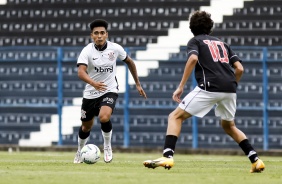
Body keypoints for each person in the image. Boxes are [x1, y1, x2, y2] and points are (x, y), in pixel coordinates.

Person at [143, 10, 265, 173]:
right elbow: (240, 68)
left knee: (175, 116)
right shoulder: (223, 43)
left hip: (210, 86)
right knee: (229, 126)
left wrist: (180, 86)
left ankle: (167, 156)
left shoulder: (195, 41)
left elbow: (193, 59)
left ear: (191, 28)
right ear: (210, 27)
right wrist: (230, 84)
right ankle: (256, 160)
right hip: (230, 87)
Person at [74, 19, 147, 163]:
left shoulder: (115, 49)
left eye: (102, 33)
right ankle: (79, 151)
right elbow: (81, 72)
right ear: (92, 35)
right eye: (96, 33)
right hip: (90, 92)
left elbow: (130, 62)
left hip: (109, 89)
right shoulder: (87, 50)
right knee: (86, 126)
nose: (99, 36)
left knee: (104, 117)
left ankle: (107, 146)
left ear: (106, 34)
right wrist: (93, 83)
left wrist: (138, 84)